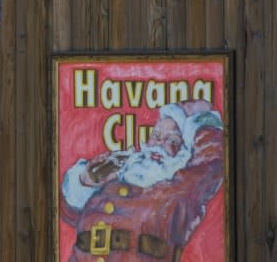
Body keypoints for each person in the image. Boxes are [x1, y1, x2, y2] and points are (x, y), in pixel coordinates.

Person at [61, 99, 224, 261]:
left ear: (185, 156)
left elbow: (210, 165)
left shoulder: (179, 193)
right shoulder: (116, 179)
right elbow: (70, 214)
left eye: (172, 140)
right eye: (156, 135)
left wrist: (202, 118)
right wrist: (86, 181)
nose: (159, 143)